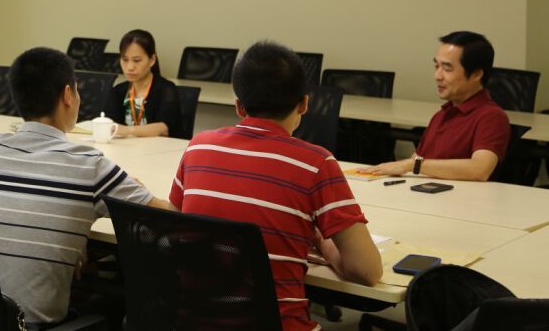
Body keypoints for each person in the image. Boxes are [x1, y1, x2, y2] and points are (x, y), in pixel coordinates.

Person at [170, 41, 382, 331]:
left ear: (238, 106)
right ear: (304, 103)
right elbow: (367, 270)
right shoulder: (316, 164)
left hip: (194, 324)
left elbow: (175, 227)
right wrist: (321, 241)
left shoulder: (198, 147)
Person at [0, 47, 173, 329]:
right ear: (68, 95)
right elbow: (166, 216)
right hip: (32, 324)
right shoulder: (89, 165)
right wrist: (129, 186)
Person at [362, 31, 510, 181]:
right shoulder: (442, 114)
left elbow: (479, 170)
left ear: (476, 74)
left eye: (447, 68)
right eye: (436, 66)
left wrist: (412, 165)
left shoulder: (491, 116)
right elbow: (416, 162)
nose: (437, 76)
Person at [102, 29, 183, 138]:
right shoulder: (118, 91)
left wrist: (127, 130)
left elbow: (164, 128)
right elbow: (109, 123)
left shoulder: (166, 89)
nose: (130, 67)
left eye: (137, 60)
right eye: (125, 59)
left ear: (152, 60)